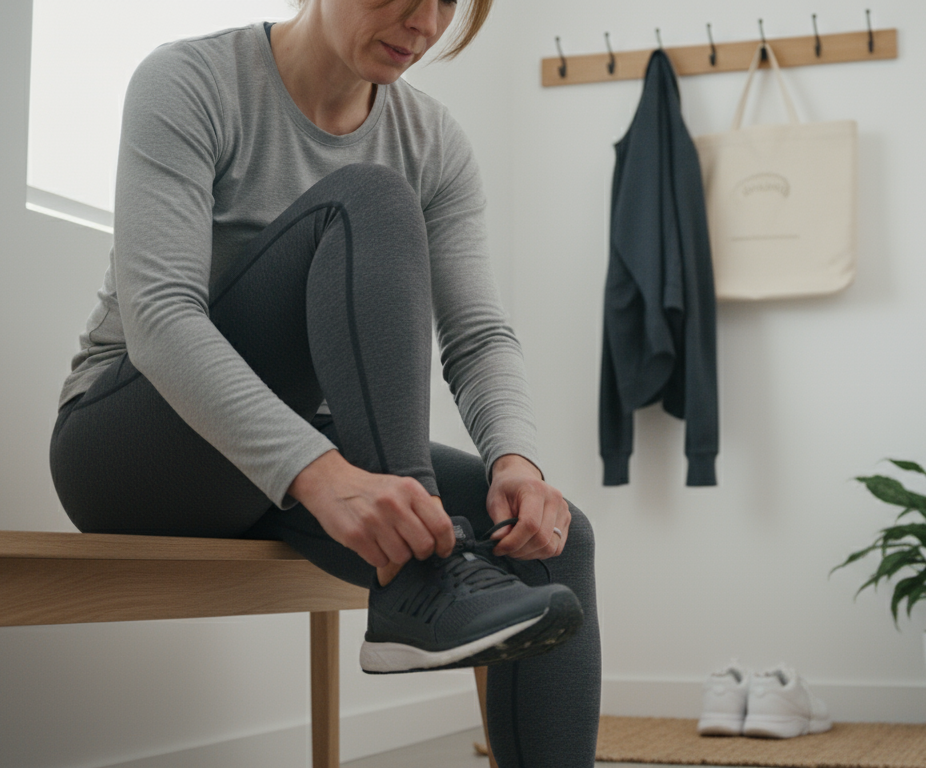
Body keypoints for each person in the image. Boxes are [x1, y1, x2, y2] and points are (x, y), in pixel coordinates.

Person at [47, 0, 600, 765]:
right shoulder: (192, 80)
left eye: (449, 1)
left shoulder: (433, 141)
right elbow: (161, 316)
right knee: (365, 198)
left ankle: (417, 580)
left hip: (289, 463)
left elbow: (476, 334)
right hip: (131, 449)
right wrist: (319, 474)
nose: (424, 21)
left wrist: (517, 460)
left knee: (551, 538)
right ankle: (417, 581)